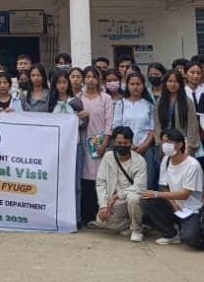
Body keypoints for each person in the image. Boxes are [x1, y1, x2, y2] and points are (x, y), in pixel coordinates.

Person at [140, 128, 204, 246]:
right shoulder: (166, 160)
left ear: (180, 145)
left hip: (191, 209)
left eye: (169, 142)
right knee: (146, 200)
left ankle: (186, 227)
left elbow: (184, 194)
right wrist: (172, 202)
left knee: (190, 238)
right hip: (174, 204)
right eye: (163, 142)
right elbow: (164, 186)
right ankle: (170, 233)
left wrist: (157, 194)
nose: (165, 145)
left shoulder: (192, 165)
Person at [91, 126, 147, 241]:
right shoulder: (108, 157)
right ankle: (130, 225)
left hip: (132, 198)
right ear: (114, 143)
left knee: (134, 198)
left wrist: (117, 196)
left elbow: (140, 187)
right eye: (119, 143)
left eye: (125, 143)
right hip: (116, 202)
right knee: (101, 220)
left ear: (131, 143)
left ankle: (137, 230)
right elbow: (101, 182)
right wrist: (103, 205)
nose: (122, 146)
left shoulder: (139, 161)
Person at [50, 71, 86, 222]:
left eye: (64, 82)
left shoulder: (75, 102)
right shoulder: (51, 103)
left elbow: (83, 125)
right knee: (57, 183)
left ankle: (76, 217)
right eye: (59, 83)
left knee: (76, 184)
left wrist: (81, 118)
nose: (62, 86)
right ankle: (58, 216)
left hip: (75, 147)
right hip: (57, 148)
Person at [79, 67, 113, 225]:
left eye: (94, 76)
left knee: (101, 177)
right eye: (87, 76)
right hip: (84, 142)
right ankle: (87, 215)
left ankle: (102, 213)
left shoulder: (105, 98)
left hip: (100, 143)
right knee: (85, 177)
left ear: (99, 79)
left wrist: (105, 142)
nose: (91, 80)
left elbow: (109, 121)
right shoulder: (78, 98)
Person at [114, 72, 157, 188]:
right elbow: (117, 126)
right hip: (125, 148)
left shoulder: (149, 105)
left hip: (146, 148)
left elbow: (153, 128)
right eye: (132, 84)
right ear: (127, 86)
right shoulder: (121, 104)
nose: (135, 87)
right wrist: (129, 145)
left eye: (138, 84)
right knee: (125, 181)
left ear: (143, 85)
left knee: (147, 181)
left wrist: (145, 145)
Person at [154, 70, 201, 159]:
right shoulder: (160, 101)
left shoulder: (187, 101)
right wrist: (160, 142)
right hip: (165, 144)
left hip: (183, 144)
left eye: (176, 82)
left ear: (180, 84)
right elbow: (157, 124)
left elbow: (192, 125)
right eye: (170, 81)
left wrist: (190, 146)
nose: (172, 84)